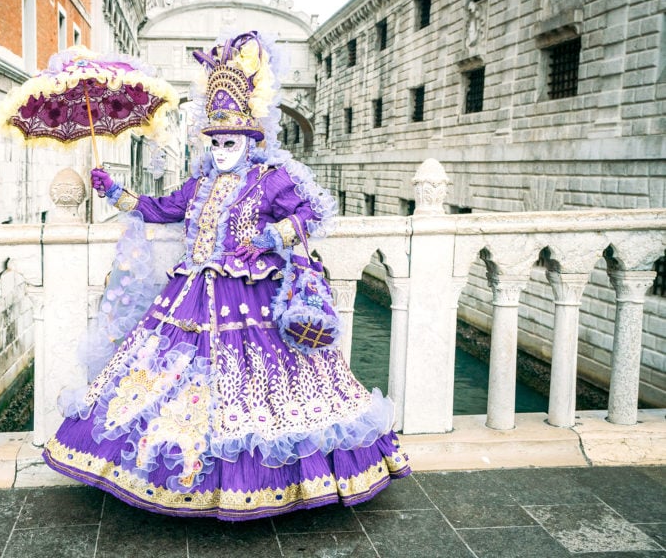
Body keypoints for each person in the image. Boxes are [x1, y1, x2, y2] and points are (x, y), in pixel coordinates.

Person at [43, 31, 410, 521]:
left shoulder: (271, 178)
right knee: (163, 380)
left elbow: (313, 213)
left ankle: (269, 482)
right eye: (214, 142)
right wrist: (113, 190)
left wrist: (270, 237)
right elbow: (160, 208)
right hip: (190, 294)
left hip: (252, 295)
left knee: (262, 390)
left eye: (229, 142)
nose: (219, 151)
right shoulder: (200, 182)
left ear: (251, 141)